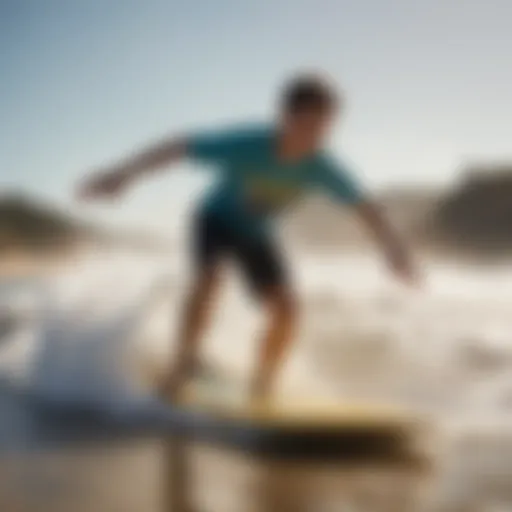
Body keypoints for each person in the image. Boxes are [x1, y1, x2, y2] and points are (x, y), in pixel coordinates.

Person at [77, 72, 420, 402]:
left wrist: (394, 249)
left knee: (287, 308)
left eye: (324, 127)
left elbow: (365, 207)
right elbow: (178, 146)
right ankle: (182, 365)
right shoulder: (248, 144)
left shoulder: (323, 165)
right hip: (214, 219)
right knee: (210, 280)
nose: (315, 136)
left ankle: (263, 384)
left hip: (257, 233)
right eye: (308, 124)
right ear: (285, 116)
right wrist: (121, 174)